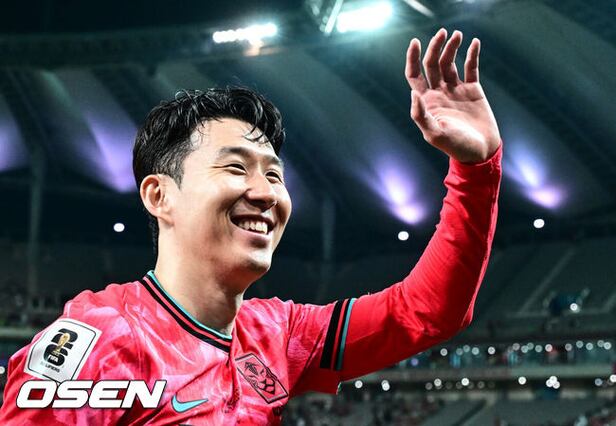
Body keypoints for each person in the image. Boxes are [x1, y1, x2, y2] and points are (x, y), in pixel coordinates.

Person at [0, 28, 502, 424]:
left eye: (275, 175)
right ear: (159, 196)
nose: (265, 194)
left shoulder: (278, 334)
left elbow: (425, 312)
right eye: (236, 168)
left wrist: (476, 171)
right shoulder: (98, 344)